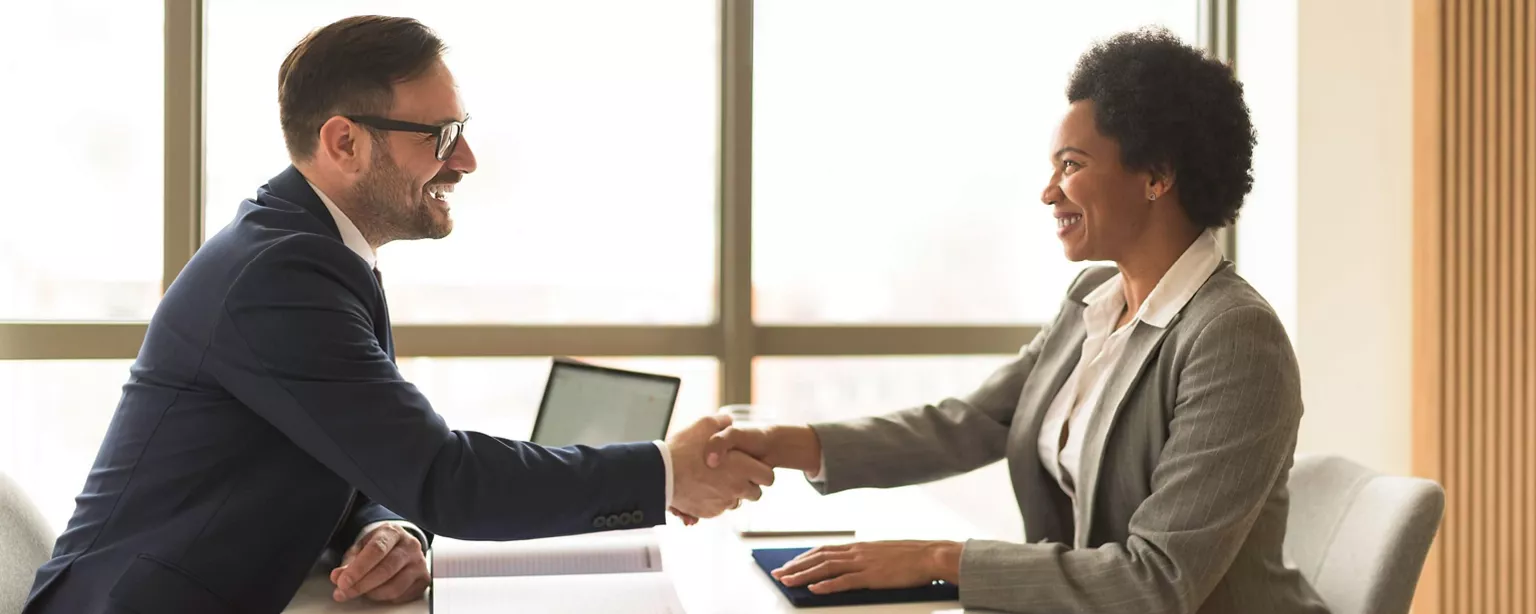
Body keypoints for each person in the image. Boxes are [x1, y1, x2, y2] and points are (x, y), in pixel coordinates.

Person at [23, 16, 771, 614]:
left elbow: (349, 447)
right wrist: (665, 471)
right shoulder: (280, 272)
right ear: (344, 141)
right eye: (440, 135)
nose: (467, 159)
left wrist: (384, 523)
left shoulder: (312, 249)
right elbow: (443, 474)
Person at [704, 27, 1330, 614]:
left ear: (1157, 176)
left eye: (1072, 165)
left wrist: (935, 558)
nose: (1048, 191)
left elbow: (1158, 579)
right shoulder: (1094, 298)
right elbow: (973, 422)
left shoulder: (1233, 338)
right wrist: (789, 443)